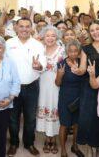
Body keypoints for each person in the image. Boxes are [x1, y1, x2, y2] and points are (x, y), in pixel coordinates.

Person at [6, 18, 46, 156]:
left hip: (31, 86)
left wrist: (39, 66)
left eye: (27, 26)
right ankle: (14, 143)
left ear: (31, 28)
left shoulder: (38, 44)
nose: (24, 29)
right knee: (13, 118)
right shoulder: (9, 43)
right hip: (13, 87)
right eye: (21, 26)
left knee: (30, 118)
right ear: (16, 28)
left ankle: (29, 143)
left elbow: (43, 64)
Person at [78, 20, 99, 155]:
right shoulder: (86, 48)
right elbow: (82, 68)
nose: (95, 32)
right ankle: (91, 147)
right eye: (92, 30)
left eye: (97, 29)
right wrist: (78, 70)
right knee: (88, 117)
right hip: (89, 86)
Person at [36, 26, 65, 154]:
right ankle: (47, 138)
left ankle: (53, 139)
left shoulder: (62, 50)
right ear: (43, 36)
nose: (50, 38)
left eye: (53, 35)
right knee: (44, 107)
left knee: (54, 109)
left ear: (57, 37)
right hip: (42, 85)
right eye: (47, 35)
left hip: (56, 86)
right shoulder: (39, 50)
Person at [55, 40, 86, 157]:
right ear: (67, 51)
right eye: (70, 51)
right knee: (64, 124)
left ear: (78, 51)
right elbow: (57, 83)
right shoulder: (61, 63)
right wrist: (60, 74)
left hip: (79, 97)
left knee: (77, 123)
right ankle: (63, 150)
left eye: (75, 51)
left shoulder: (82, 63)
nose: (73, 53)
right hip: (65, 97)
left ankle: (75, 146)